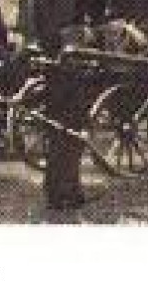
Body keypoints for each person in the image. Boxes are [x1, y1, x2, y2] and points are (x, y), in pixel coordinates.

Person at [41, 54, 94, 212]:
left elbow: (81, 104)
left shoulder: (59, 76)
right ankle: (62, 197)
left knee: (62, 159)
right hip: (64, 124)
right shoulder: (72, 77)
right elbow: (81, 104)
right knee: (65, 160)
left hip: (67, 125)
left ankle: (64, 196)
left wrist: (84, 126)